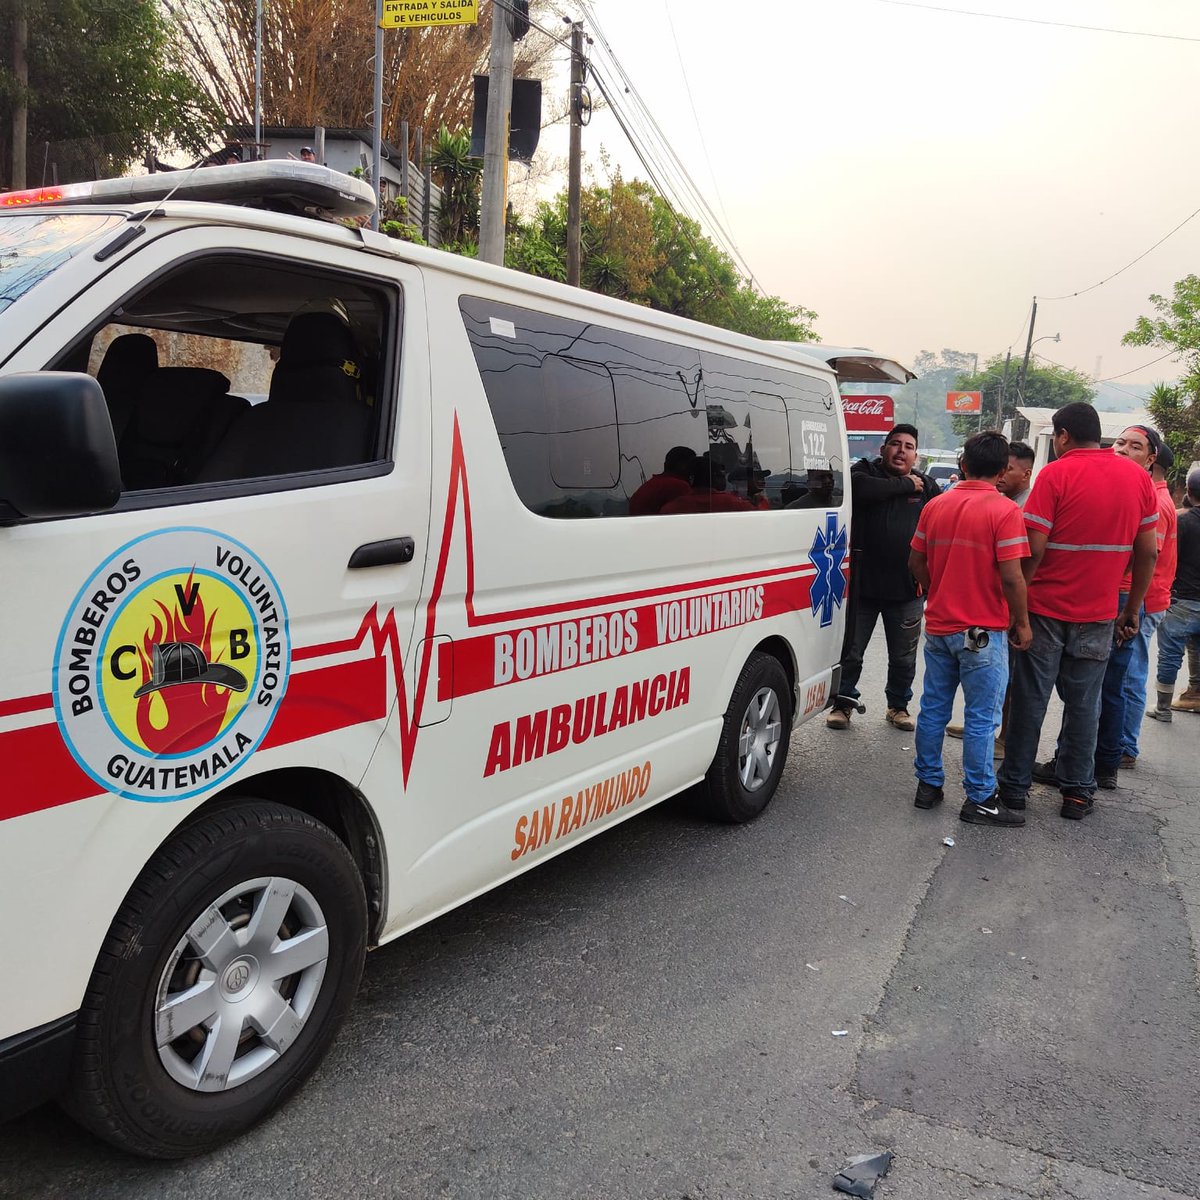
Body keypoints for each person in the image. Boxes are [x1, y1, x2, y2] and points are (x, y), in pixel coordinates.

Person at [997, 403, 1158, 821]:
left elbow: (1033, 550)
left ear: (1064, 436)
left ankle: (1014, 790)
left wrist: (1018, 611)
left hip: (1046, 611)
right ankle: (1078, 793)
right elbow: (1147, 551)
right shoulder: (1137, 479)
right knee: (1085, 704)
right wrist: (1132, 609)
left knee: (1031, 700)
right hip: (1100, 612)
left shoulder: (1056, 474)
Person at [909, 431, 1032, 826]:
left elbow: (915, 563)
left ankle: (928, 785)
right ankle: (980, 797)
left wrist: (938, 588)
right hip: (982, 633)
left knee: (932, 710)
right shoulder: (1005, 511)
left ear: (962, 464)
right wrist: (1022, 622)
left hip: (940, 626)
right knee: (981, 718)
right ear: (1001, 471)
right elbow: (1013, 577)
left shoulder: (936, 505)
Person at [827, 424, 940, 731]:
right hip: (861, 587)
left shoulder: (928, 486)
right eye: (895, 444)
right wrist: (906, 485)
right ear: (883, 449)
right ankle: (843, 704)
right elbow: (860, 490)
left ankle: (898, 706)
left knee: (904, 658)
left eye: (908, 446)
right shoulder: (863, 473)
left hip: (907, 589)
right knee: (851, 652)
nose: (901, 450)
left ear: (916, 454)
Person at [1117, 435, 1177, 761]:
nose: (1123, 451)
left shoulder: (1156, 502)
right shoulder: (1156, 497)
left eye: (1135, 447)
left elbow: (1148, 553)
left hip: (1144, 598)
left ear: (1151, 461)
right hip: (1148, 596)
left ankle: (1125, 746)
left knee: (1130, 675)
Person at [1147, 467, 1200, 720]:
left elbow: (1169, 558)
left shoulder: (1183, 522)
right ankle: (1195, 693)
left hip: (1182, 601)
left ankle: (1163, 708)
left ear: (1188, 491)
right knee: (1197, 650)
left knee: (1169, 655)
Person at [659, 454, 753, 514]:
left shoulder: (669, 509)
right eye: (721, 475)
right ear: (715, 477)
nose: (725, 480)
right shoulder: (738, 504)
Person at [629, 446, 698, 516]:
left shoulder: (653, 484)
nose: (695, 469)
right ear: (682, 465)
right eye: (693, 464)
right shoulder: (679, 486)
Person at [996, 440, 1034, 508]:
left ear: (1026, 475)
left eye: (1008, 469)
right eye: (999, 467)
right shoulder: (995, 500)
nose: (1000, 473)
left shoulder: (1032, 506)